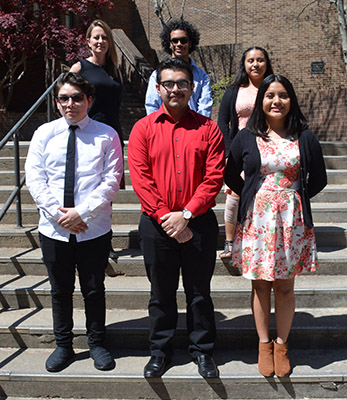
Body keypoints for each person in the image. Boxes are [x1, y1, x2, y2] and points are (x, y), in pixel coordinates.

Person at [128, 58, 225, 378]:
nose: (175, 89)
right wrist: (166, 217)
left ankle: (202, 351)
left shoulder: (208, 129)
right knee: (161, 293)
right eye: (168, 84)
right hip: (157, 226)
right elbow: (140, 179)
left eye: (182, 83)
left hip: (197, 223)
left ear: (191, 87)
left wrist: (185, 215)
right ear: (158, 89)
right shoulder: (143, 128)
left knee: (199, 293)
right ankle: (160, 350)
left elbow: (213, 179)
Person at [225, 74, 327, 377]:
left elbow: (318, 178)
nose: (276, 101)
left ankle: (282, 344)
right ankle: (263, 343)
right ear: (261, 101)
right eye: (270, 95)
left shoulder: (304, 136)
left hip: (291, 221)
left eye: (283, 95)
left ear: (291, 100)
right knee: (260, 285)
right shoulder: (246, 137)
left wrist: (293, 198)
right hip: (258, 220)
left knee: (284, 287)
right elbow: (232, 174)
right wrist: (255, 197)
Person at [25, 72, 123, 373]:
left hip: (92, 228)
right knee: (60, 289)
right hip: (54, 229)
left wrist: (81, 213)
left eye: (77, 97)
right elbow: (35, 178)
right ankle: (64, 344)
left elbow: (111, 182)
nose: (70, 103)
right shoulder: (44, 134)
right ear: (57, 103)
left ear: (89, 100)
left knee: (93, 289)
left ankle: (96, 343)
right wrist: (59, 215)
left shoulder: (107, 135)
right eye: (64, 98)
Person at [70, 19, 124, 260]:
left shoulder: (115, 69)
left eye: (104, 37)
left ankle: (104, 240)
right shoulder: (79, 68)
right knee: (90, 185)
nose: (100, 41)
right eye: (96, 37)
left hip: (112, 133)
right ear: (88, 41)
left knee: (107, 189)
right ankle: (85, 238)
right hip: (89, 134)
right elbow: (66, 99)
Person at [218, 47, 274, 260]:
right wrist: (226, 151)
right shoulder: (234, 91)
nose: (255, 64)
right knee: (234, 193)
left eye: (260, 60)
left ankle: (262, 238)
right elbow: (223, 122)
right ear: (244, 64)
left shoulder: (273, 87)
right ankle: (230, 242)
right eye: (251, 60)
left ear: (267, 63)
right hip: (240, 150)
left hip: (269, 149)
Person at [145, 19, 213, 117]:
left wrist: (197, 129)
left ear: (190, 43)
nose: (179, 44)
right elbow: (152, 105)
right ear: (169, 44)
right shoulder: (157, 75)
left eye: (183, 40)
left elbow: (205, 107)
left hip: (194, 129)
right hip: (164, 129)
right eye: (175, 40)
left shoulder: (201, 76)